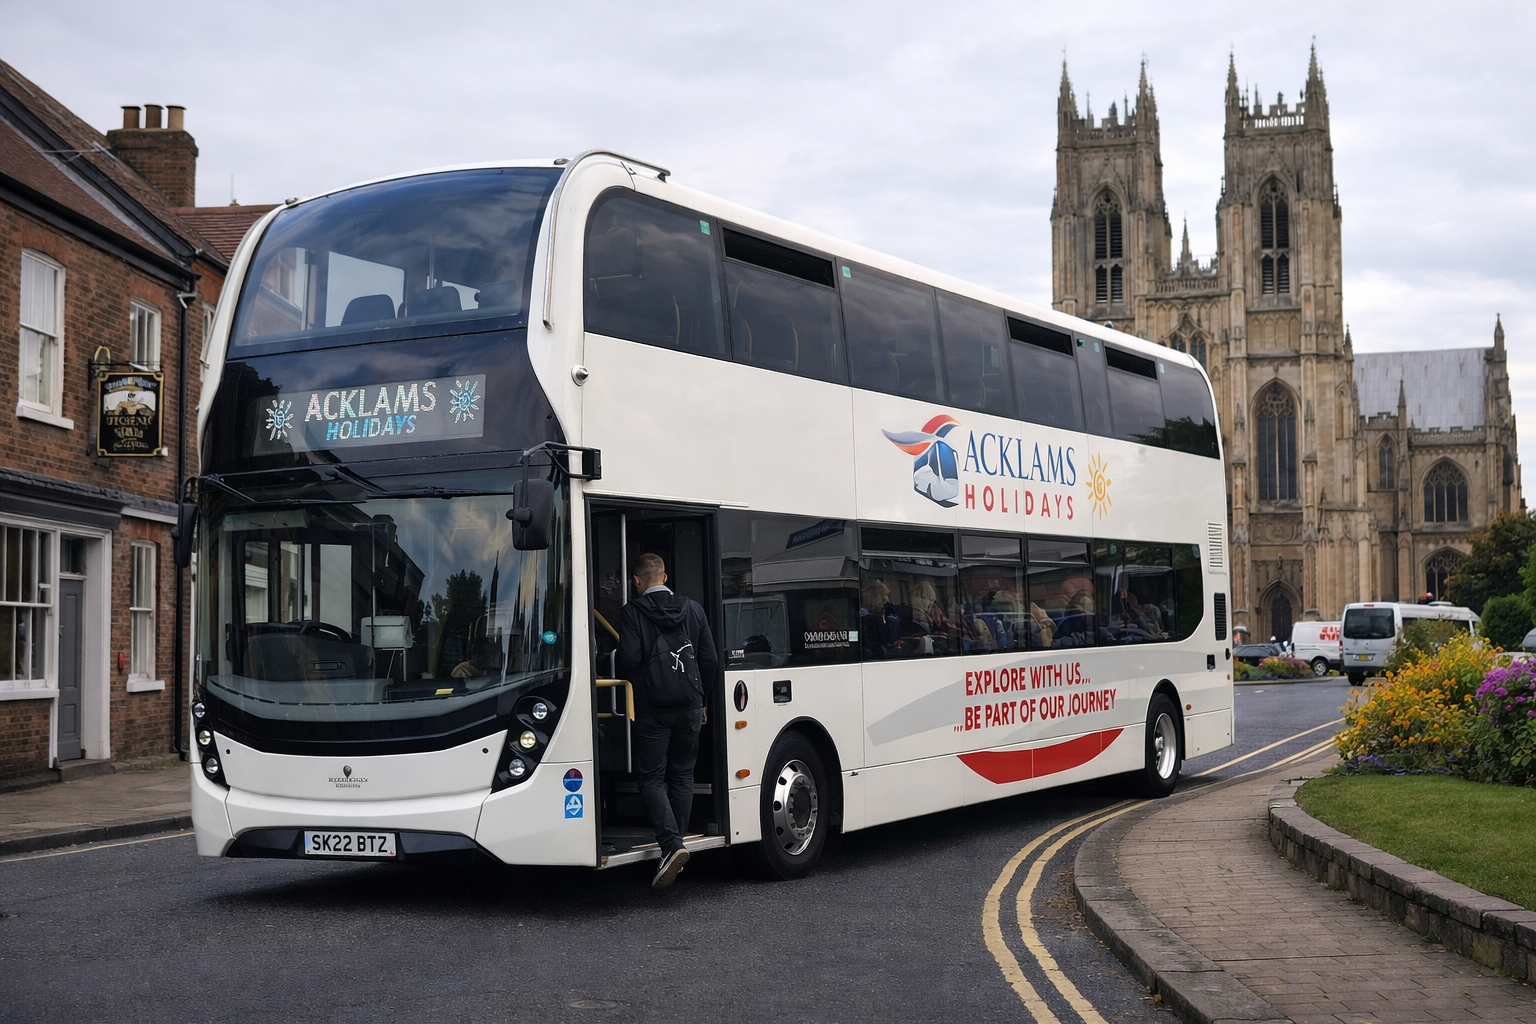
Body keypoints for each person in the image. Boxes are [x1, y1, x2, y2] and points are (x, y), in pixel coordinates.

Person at [617, 553, 719, 890]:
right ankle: (678, 844)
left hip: (653, 709)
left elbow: (629, 661)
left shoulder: (632, 612)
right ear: (665, 576)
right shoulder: (693, 608)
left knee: (651, 777)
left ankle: (672, 845)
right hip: (691, 706)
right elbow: (709, 660)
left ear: (637, 581)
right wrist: (701, 698)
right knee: (683, 774)